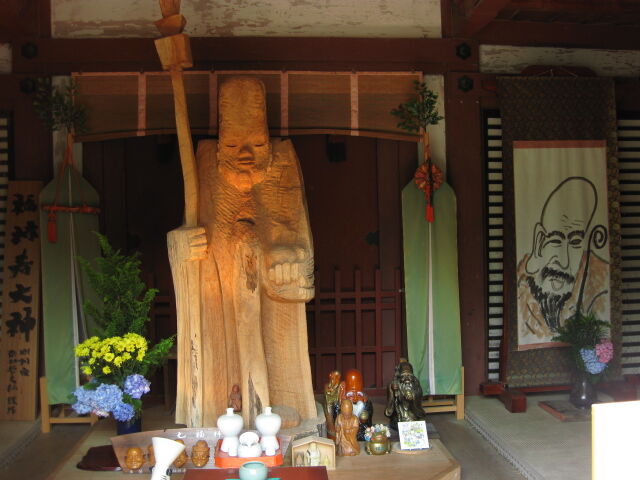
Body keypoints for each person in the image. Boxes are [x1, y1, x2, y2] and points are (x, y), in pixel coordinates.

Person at [169, 77, 316, 427]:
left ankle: (269, 406)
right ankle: (224, 408)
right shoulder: (205, 168)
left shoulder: (282, 168)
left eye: (257, 144)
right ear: (220, 147)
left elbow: (303, 255)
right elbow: (187, 243)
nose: (246, 155)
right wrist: (181, 244)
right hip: (220, 306)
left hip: (268, 310)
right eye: (233, 145)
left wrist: (288, 260)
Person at [517, 177, 609, 345]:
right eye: (556, 241)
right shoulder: (519, 288)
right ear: (539, 240)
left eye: (575, 242)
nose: (564, 262)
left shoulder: (599, 282)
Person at [384, 360, 427, 430]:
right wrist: (392, 390)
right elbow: (390, 404)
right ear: (399, 375)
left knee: (415, 420)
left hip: (412, 412)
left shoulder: (415, 383)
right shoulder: (394, 383)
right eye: (404, 375)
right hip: (399, 413)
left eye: (409, 375)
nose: (407, 378)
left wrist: (413, 395)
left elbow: (419, 394)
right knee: (397, 420)